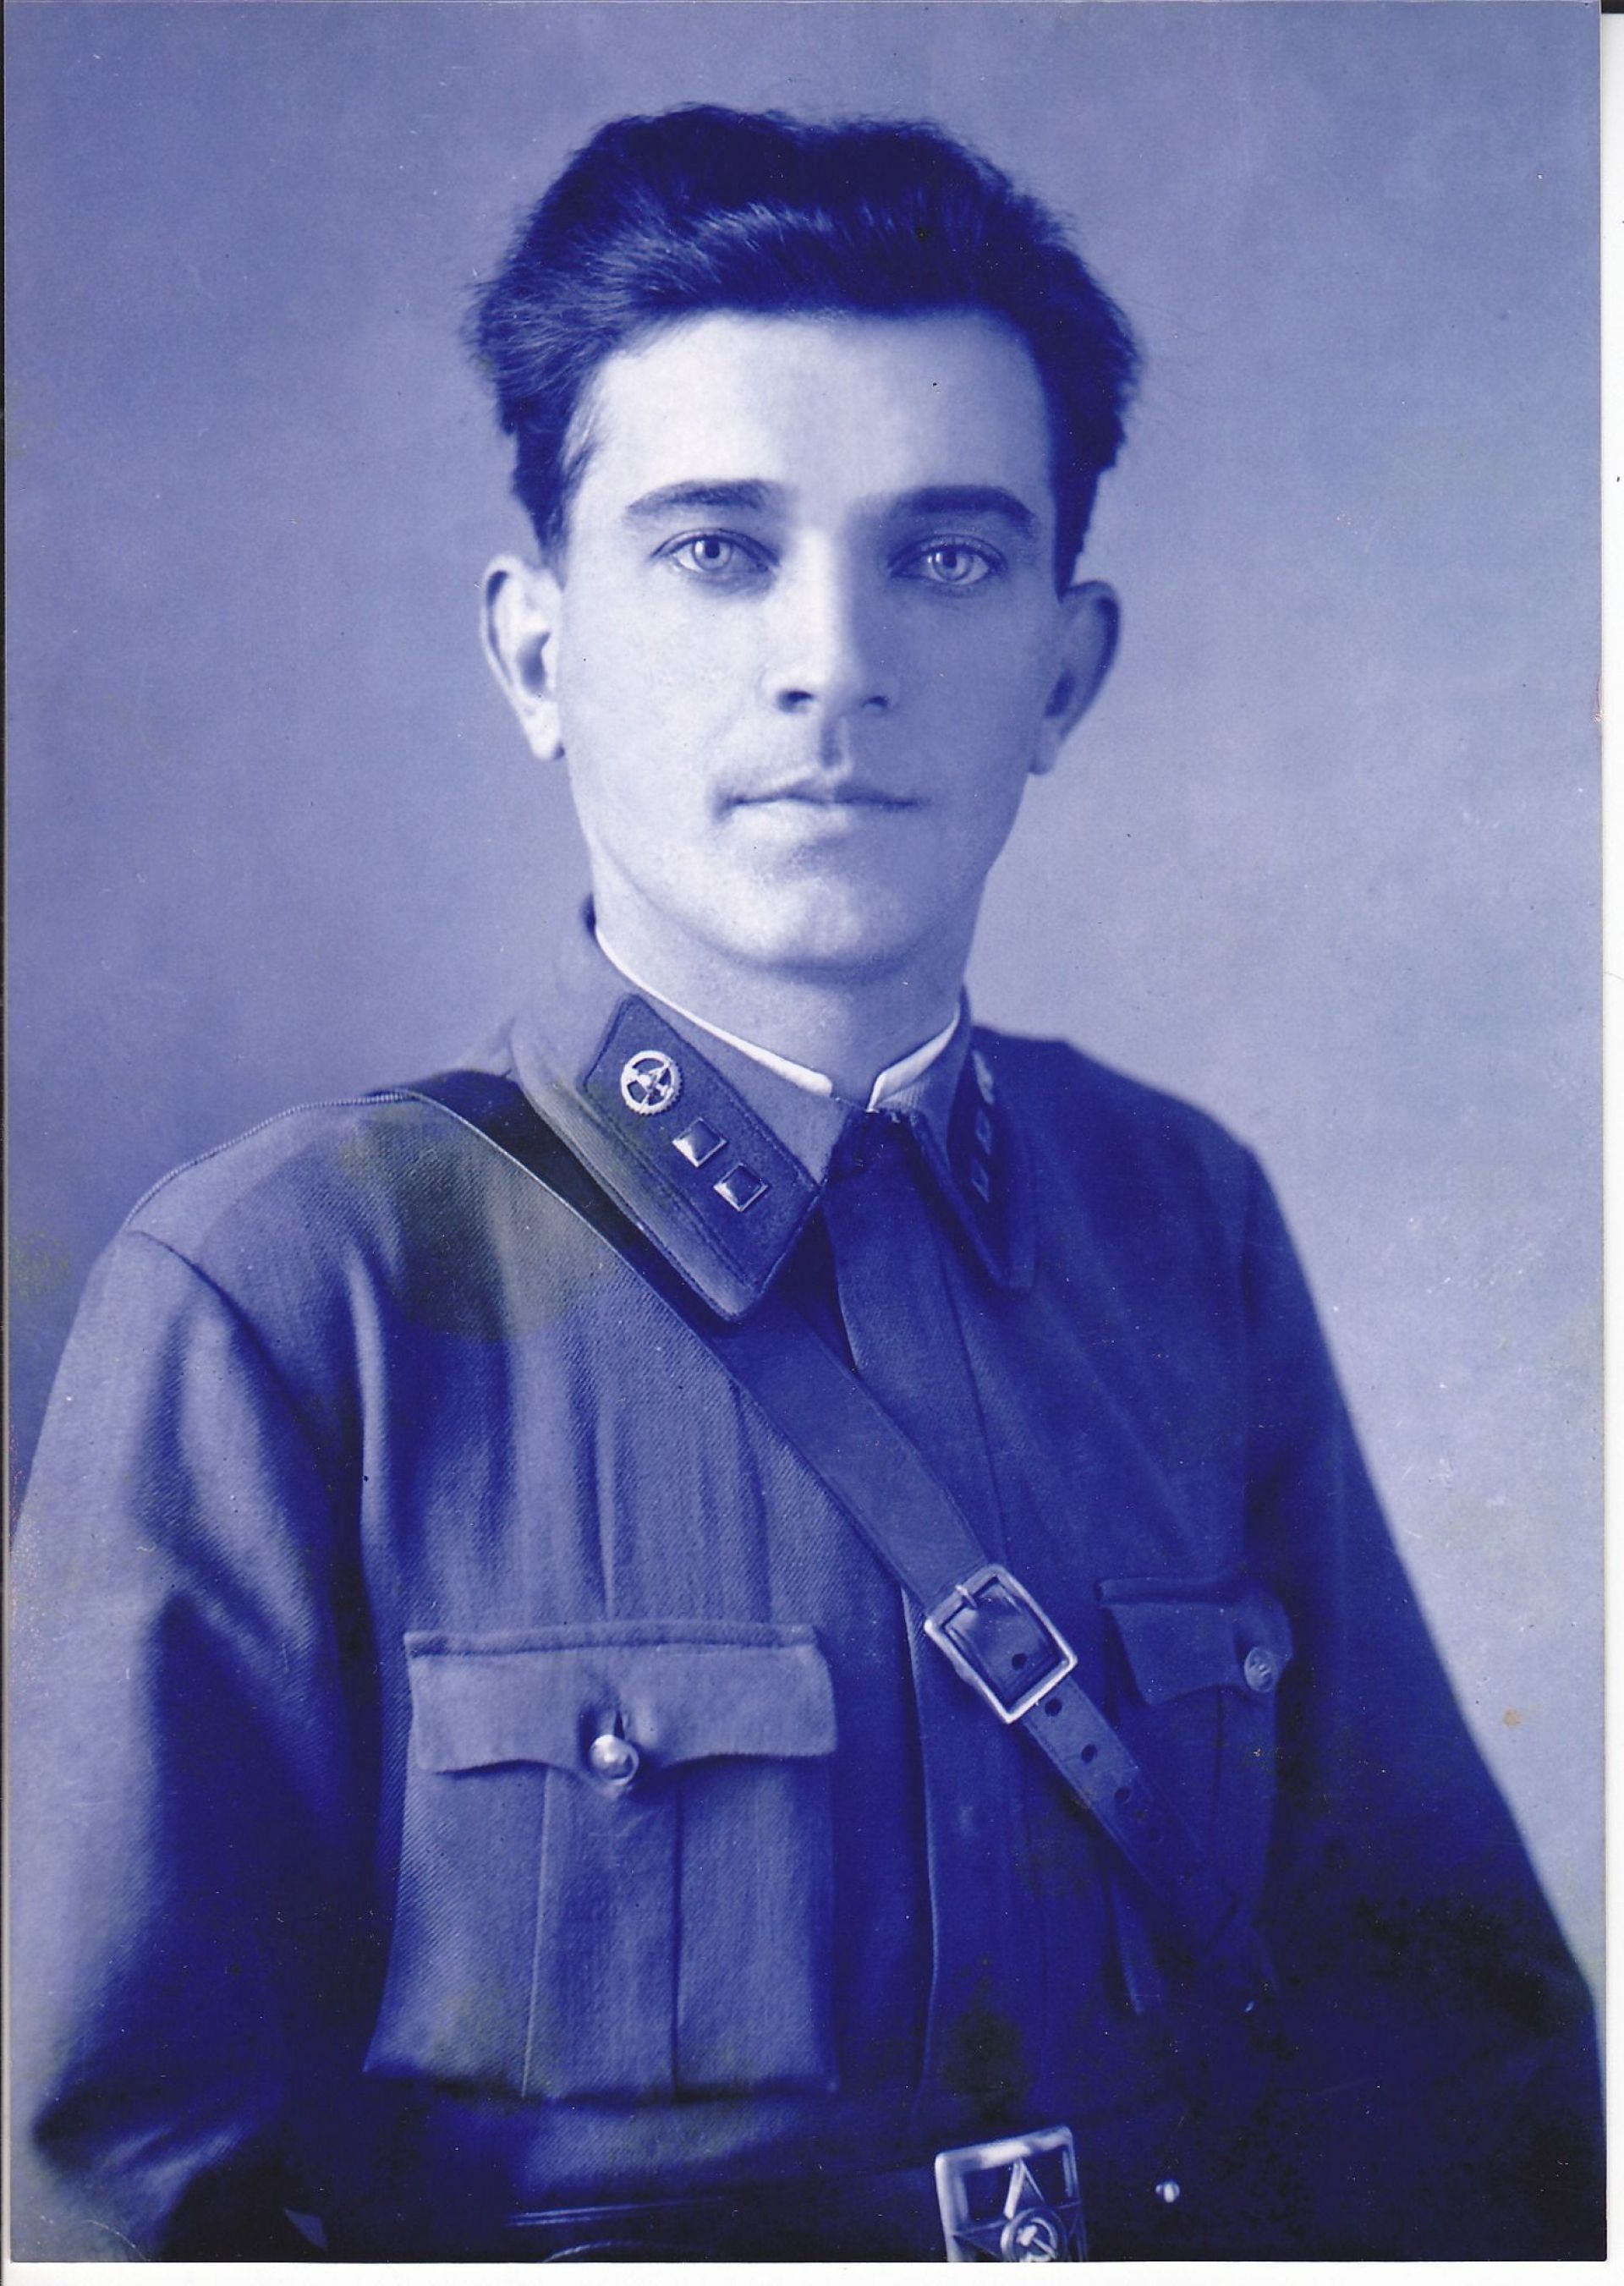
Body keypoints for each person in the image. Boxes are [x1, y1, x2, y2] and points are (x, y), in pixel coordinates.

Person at [10, 105, 1603, 2262]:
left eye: (945, 558)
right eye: (715, 549)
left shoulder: (1182, 1222)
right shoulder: (288, 1293)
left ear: (1064, 670)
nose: (832, 659)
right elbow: (119, 2203)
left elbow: (1458, 2059)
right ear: (538, 655)